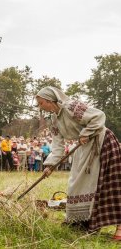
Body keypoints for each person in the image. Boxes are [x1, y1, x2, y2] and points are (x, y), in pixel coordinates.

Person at [36, 86, 121, 240]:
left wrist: (86, 133)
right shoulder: (54, 120)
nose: (40, 107)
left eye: (41, 103)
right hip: (83, 148)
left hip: (102, 143)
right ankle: (81, 223)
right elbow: (57, 146)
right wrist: (50, 166)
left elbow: (99, 116)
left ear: (50, 100)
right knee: (76, 183)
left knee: (107, 185)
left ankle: (118, 229)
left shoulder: (72, 107)